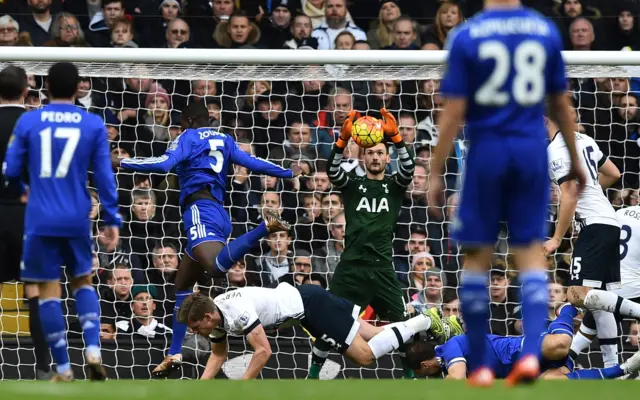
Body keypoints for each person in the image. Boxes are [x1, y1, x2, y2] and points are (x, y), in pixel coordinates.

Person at [427, 0, 587, 386]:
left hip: (487, 152)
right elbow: (560, 102)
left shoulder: (466, 34)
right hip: (530, 153)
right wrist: (575, 157)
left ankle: (480, 363)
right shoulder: (543, 30)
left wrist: (436, 168)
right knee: (530, 253)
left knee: (477, 258)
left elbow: (454, 108)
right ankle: (531, 355)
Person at [115, 101, 302, 377]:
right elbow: (251, 162)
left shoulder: (187, 138)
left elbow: (165, 164)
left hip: (199, 211)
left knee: (215, 268)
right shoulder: (224, 138)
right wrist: (285, 172)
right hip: (217, 213)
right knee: (182, 285)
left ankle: (266, 225)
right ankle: (174, 352)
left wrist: (125, 162)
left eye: (179, 126)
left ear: (187, 122)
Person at [3, 62, 122, 381]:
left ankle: (64, 368)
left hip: (40, 216)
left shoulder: (30, 120)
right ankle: (93, 348)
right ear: (75, 89)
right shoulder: (92, 124)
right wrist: (111, 218)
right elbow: (105, 176)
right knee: (83, 281)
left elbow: (11, 170)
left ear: (46, 88)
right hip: (76, 216)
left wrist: (22, 191)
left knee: (47, 290)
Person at [308, 107, 428, 379]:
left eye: (380, 153)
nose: (375, 157)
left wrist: (396, 137)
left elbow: (408, 167)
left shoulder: (395, 185)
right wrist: (342, 140)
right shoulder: (351, 185)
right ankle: (313, 375)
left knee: (403, 325)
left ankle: (409, 379)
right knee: (331, 321)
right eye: (370, 153)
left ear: (387, 158)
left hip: (383, 269)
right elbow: (332, 168)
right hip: (351, 267)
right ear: (363, 157)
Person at [178, 283, 445, 380]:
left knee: (364, 356)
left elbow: (263, 351)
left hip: (311, 307)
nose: (194, 331)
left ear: (207, 316)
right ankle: (421, 321)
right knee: (373, 335)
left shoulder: (236, 311)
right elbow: (218, 355)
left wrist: (241, 388)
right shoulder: (215, 316)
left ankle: (423, 320)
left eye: (195, 327)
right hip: (304, 307)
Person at [544, 114, 640, 367]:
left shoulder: (556, 149)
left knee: (576, 295)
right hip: (610, 221)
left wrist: (556, 238)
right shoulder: (584, 139)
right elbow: (614, 173)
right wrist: (594, 191)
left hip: (594, 226)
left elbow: (570, 194)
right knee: (599, 299)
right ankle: (611, 365)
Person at [406, 304, 640, 380]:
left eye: (420, 374)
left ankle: (566, 309)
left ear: (424, 366)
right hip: (525, 374)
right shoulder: (445, 363)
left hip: (519, 350)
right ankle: (625, 368)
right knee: (554, 385)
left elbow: (456, 379)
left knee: (560, 345)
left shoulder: (451, 346)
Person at [0, 65, 53, 380]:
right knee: (35, 289)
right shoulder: (36, 123)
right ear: (25, 91)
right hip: (28, 216)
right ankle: (45, 366)